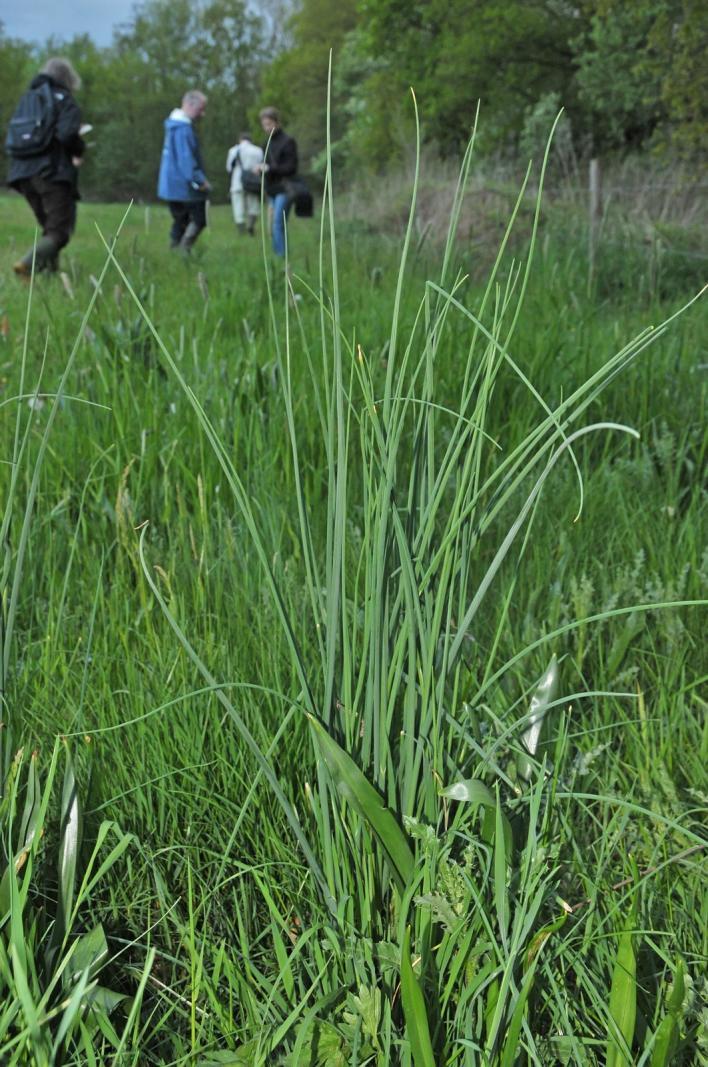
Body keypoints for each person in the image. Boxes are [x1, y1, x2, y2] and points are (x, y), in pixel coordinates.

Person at [7, 58, 85, 277]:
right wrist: (78, 150)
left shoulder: (28, 98)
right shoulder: (65, 100)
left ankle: (49, 278)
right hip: (51, 172)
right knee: (60, 231)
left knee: (49, 229)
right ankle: (27, 265)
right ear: (68, 78)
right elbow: (68, 135)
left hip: (22, 174)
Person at [157, 90, 211, 253]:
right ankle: (181, 251)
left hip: (171, 184)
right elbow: (185, 160)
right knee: (198, 219)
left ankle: (175, 253)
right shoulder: (182, 129)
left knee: (181, 220)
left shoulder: (174, 125)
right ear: (189, 105)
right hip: (183, 186)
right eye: (200, 109)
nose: (203, 113)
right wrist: (200, 180)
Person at [256, 107, 298, 257]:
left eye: (269, 124)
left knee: (278, 223)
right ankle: (277, 257)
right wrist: (260, 168)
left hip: (285, 188)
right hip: (272, 189)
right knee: (272, 225)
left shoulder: (288, 142)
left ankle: (282, 258)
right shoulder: (265, 143)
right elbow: (265, 163)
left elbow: (291, 167)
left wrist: (269, 168)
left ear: (277, 122)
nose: (267, 128)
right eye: (264, 125)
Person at [226, 132, 263, 236]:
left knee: (238, 206)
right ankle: (250, 226)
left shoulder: (233, 150)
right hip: (253, 182)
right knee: (253, 205)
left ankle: (241, 230)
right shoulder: (257, 150)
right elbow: (261, 166)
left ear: (240, 140)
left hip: (237, 181)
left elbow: (229, 168)